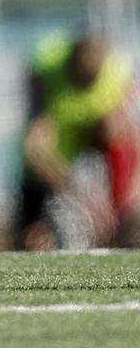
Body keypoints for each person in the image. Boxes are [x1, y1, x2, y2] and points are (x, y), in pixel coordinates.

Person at [14, 31, 140, 250]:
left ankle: (121, 221)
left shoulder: (118, 73)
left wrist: (128, 194)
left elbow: (129, 136)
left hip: (91, 140)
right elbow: (35, 144)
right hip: (60, 143)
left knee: (114, 131)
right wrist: (73, 190)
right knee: (31, 223)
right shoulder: (47, 69)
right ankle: (27, 237)